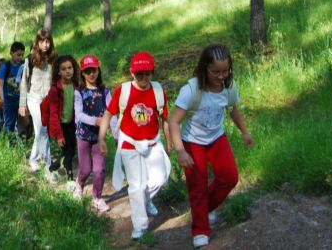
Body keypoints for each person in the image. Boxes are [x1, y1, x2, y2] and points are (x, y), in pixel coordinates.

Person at [168, 44, 254, 248]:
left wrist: (244, 131)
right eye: (215, 71)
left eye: (225, 71)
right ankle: (200, 230)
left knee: (230, 177)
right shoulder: (191, 90)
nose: (221, 76)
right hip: (192, 143)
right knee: (197, 187)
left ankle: (204, 209)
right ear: (204, 68)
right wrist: (180, 151)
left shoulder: (229, 87)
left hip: (217, 138)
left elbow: (233, 110)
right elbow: (173, 121)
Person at [98, 51, 172, 240]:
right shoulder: (123, 92)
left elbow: (165, 119)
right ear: (132, 73)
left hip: (153, 142)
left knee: (160, 178)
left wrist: (169, 142)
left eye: (147, 73)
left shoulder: (157, 92)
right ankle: (140, 225)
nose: (144, 78)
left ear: (152, 73)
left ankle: (144, 202)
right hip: (129, 143)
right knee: (136, 186)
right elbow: (108, 115)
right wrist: (101, 139)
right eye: (139, 74)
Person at [73, 54, 115, 212]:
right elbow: (79, 115)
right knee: (85, 169)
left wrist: (117, 136)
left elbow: (112, 113)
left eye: (94, 70)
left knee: (99, 169)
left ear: (98, 70)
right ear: (82, 73)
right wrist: (95, 120)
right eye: (87, 71)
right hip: (83, 135)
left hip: (100, 137)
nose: (91, 74)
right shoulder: (79, 92)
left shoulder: (105, 92)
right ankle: (79, 184)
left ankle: (97, 197)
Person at [19, 29, 57, 173]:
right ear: (37, 43)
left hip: (48, 100)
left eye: (47, 41)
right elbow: (23, 82)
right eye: (42, 42)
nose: (45, 45)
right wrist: (22, 104)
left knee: (42, 131)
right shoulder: (30, 59)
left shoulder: (54, 58)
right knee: (42, 129)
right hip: (33, 99)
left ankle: (35, 159)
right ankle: (46, 164)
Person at [47, 55, 80, 184]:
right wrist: (59, 135)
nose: (68, 71)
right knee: (69, 152)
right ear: (58, 71)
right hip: (60, 126)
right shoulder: (55, 90)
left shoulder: (77, 85)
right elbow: (53, 114)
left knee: (71, 152)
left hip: (72, 125)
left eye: (70, 68)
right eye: (64, 69)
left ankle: (52, 168)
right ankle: (70, 180)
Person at [0, 42, 25, 135]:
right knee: (9, 123)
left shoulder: (24, 66)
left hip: (21, 100)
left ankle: (21, 141)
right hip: (8, 101)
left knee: (22, 123)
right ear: (11, 53)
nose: (20, 58)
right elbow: (0, 84)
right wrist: (2, 98)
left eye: (22, 55)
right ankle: (7, 142)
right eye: (18, 55)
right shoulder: (6, 67)